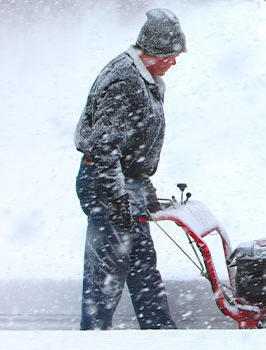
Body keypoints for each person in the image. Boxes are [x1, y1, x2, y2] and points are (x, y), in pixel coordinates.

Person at [73, 8, 186, 330]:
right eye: (172, 55)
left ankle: (160, 333)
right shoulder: (125, 80)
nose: (175, 62)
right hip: (106, 181)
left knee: (142, 268)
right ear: (155, 51)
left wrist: (144, 191)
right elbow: (103, 147)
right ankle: (94, 336)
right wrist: (117, 198)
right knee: (106, 274)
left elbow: (132, 148)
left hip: (124, 182)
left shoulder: (143, 79)